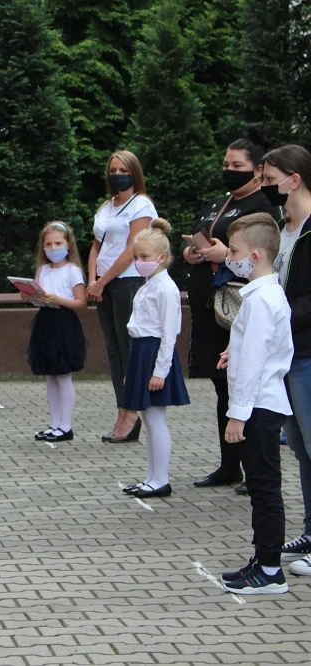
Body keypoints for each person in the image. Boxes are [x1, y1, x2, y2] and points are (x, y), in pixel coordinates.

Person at [186, 131, 279, 494]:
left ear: (257, 170)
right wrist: (193, 253)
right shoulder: (218, 203)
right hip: (210, 306)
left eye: (236, 166)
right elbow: (201, 234)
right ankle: (230, 465)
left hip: (238, 307)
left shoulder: (263, 206)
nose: (228, 170)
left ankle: (252, 463)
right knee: (221, 384)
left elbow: (258, 253)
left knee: (243, 384)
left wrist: (223, 254)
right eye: (225, 164)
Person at [217, 213, 293, 594]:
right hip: (260, 404)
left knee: (264, 487)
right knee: (263, 486)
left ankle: (270, 569)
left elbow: (255, 362)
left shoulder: (263, 299)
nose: (230, 256)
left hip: (259, 405)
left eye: (234, 251)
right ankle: (263, 559)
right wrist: (234, 347)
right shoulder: (261, 295)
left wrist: (237, 414)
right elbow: (252, 347)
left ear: (257, 255)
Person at [258, 145, 311, 574]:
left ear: (294, 179)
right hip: (289, 352)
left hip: (308, 352)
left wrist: (283, 315)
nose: (266, 185)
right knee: (302, 450)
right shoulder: (283, 227)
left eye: (271, 177)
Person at [88, 151, 159, 443]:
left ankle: (132, 414)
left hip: (126, 281)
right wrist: (92, 280)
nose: (117, 174)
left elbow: (132, 248)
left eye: (123, 169)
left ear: (134, 173)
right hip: (103, 285)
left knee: (128, 349)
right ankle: (121, 410)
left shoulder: (141, 205)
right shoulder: (107, 205)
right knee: (114, 348)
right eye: (113, 169)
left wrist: (102, 281)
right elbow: (96, 245)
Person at [119, 220, 189, 499]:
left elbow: (169, 335)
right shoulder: (149, 285)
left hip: (155, 353)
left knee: (156, 417)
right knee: (148, 418)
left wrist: (160, 371)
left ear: (161, 258)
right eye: (136, 257)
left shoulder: (165, 289)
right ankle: (152, 477)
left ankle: (160, 480)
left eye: (144, 257)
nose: (139, 262)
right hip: (142, 351)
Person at [24, 221, 88, 443]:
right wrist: (29, 296)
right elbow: (39, 296)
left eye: (58, 243)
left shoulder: (73, 271)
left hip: (64, 322)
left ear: (68, 244)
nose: (53, 248)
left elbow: (81, 303)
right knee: (50, 374)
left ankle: (66, 425)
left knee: (63, 374)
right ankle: (54, 424)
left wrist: (59, 299)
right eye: (48, 244)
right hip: (45, 321)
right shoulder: (42, 270)